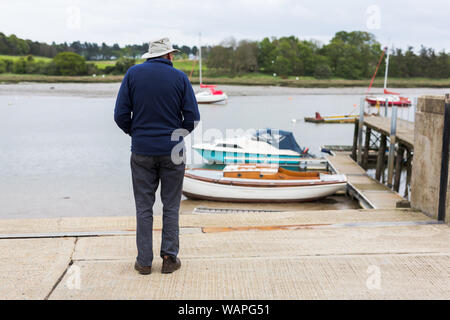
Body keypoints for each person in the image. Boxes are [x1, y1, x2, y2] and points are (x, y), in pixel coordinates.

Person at [114, 37, 200, 275]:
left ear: (150, 55)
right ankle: (169, 259)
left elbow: (120, 115)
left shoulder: (132, 74)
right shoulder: (181, 78)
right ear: (169, 56)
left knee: (144, 207)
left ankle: (143, 262)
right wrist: (175, 136)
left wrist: (137, 133)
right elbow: (192, 118)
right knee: (171, 206)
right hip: (173, 151)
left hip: (141, 150)